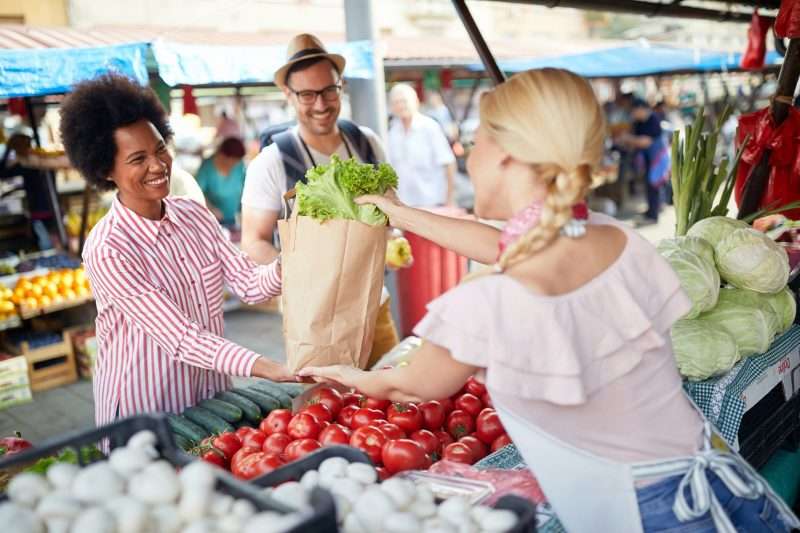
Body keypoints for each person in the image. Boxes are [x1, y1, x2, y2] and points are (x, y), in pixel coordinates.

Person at [299, 68, 799, 533]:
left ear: (506, 155)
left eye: (474, 142)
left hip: (652, 517)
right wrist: (398, 213)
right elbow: (506, 241)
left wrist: (348, 374)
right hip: (724, 485)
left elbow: (408, 386)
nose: (466, 156)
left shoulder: (489, 301)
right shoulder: (618, 240)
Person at [59, 73, 296, 429]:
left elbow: (249, 283)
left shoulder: (193, 214)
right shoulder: (108, 248)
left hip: (211, 398)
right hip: (147, 409)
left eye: (159, 149)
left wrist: (295, 257)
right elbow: (181, 338)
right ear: (106, 169)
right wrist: (268, 367)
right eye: (138, 159)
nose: (157, 165)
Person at [241, 33, 398, 365]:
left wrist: (394, 241)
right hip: (314, 322)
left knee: (392, 401)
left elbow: (390, 218)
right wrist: (299, 272)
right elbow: (253, 242)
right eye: (308, 94)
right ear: (288, 94)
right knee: (329, 411)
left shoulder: (367, 144)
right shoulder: (272, 161)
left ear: (340, 85)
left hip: (375, 307)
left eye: (329, 90)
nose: (322, 105)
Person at [387, 84, 457, 207]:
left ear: (416, 102)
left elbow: (449, 163)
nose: (400, 105)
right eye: (396, 102)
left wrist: (450, 200)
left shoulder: (430, 127)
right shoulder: (392, 131)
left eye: (404, 101)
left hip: (432, 204)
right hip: (404, 204)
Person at [622, 98, 671, 226]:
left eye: (633, 111)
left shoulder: (653, 119)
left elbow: (646, 141)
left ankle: (654, 215)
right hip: (647, 158)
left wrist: (628, 139)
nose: (632, 113)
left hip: (657, 158)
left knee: (654, 185)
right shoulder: (638, 122)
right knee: (649, 186)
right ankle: (650, 211)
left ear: (640, 109)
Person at [196, 136, 247, 227]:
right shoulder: (207, 167)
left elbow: (246, 189)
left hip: (234, 221)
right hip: (212, 222)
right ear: (223, 155)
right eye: (232, 161)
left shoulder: (239, 166)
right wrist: (210, 208)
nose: (234, 164)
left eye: (236, 162)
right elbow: (196, 193)